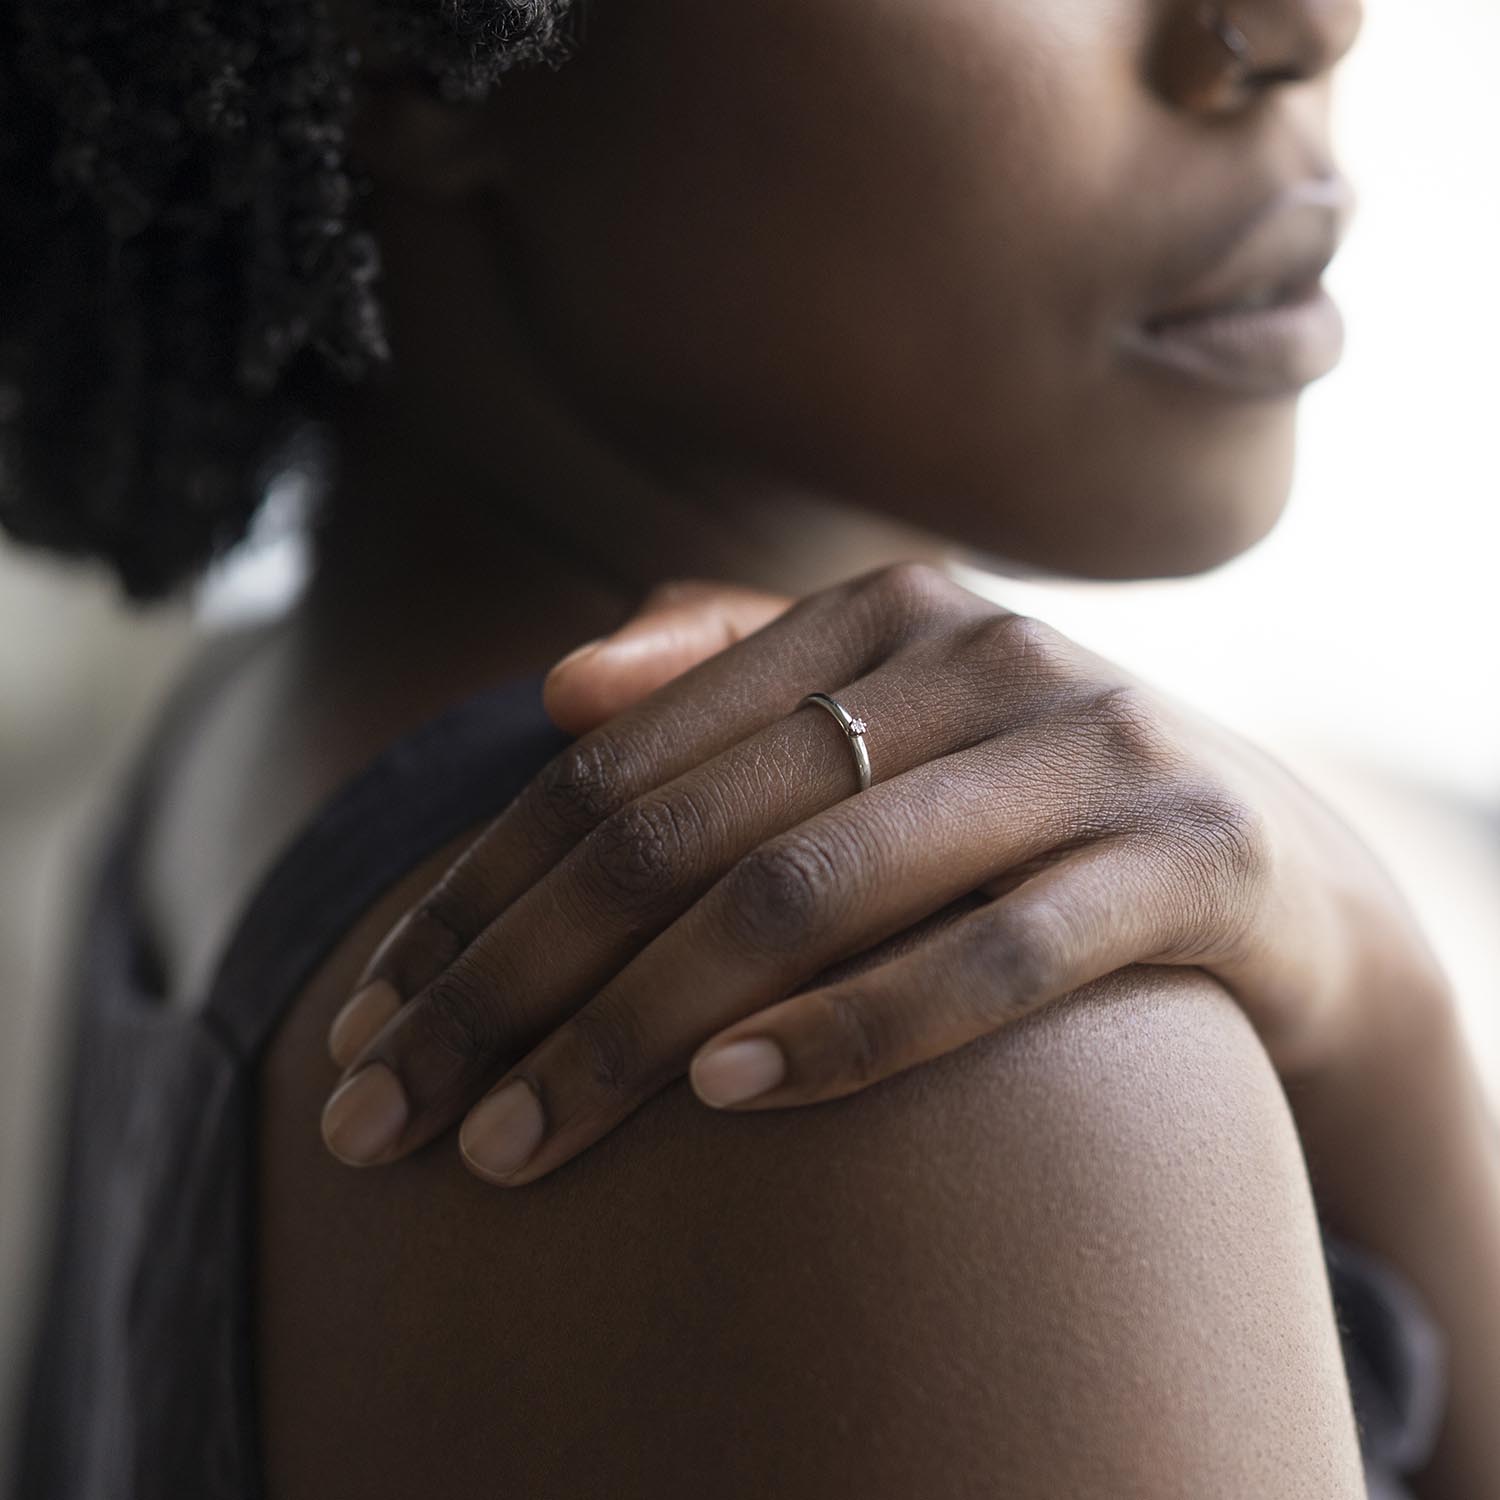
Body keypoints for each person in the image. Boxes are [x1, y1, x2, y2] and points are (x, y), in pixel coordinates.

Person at [6, 1, 1496, 1496]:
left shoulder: (261, 730)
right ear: (393, 47)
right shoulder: (911, 1037)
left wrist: (1381, 1003)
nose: (1301, 26)